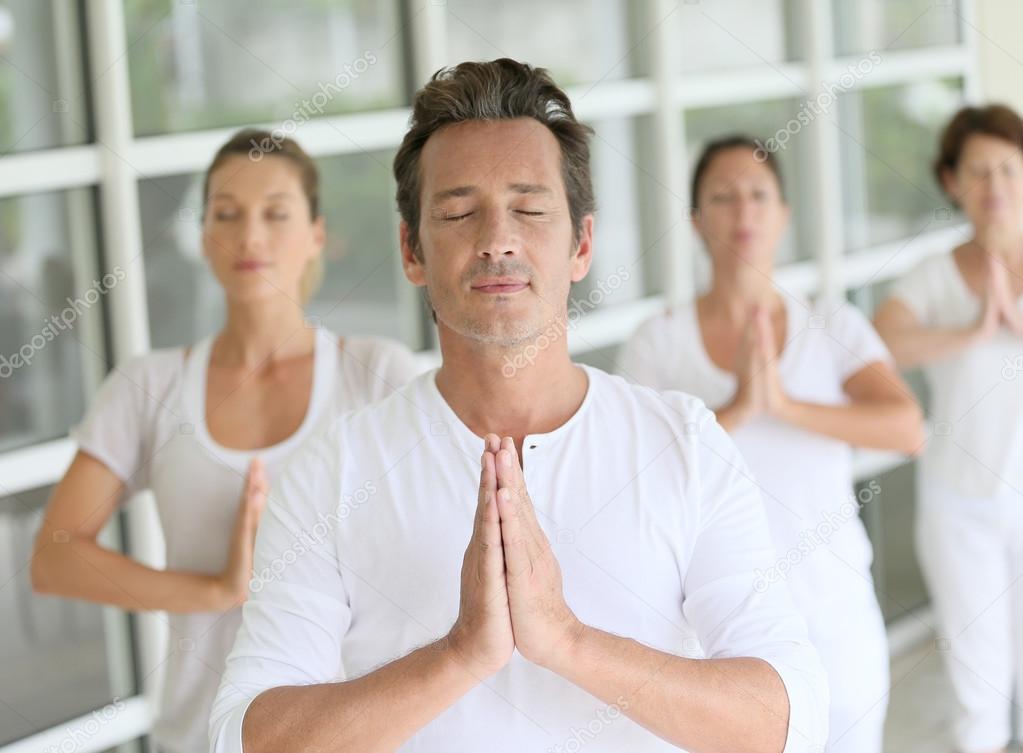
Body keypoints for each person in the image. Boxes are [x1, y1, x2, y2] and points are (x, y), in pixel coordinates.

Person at [210, 59, 828, 753]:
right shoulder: (333, 469)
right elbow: (242, 737)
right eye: (457, 211)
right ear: (412, 248)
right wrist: (460, 653)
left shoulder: (682, 441)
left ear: (582, 244)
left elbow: (788, 721)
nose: (497, 239)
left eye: (530, 210)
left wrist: (567, 640)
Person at [30, 129, 420, 753]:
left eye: (275, 213)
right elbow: (55, 557)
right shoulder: (148, 385)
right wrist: (213, 590)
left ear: (315, 232)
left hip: (350, 734)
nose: (250, 236)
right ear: (205, 234)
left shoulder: (379, 374)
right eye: (227, 214)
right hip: (196, 736)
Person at [616, 135, 924, 753]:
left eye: (758, 195)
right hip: (712, 627)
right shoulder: (658, 341)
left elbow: (906, 426)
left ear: (783, 213)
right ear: (696, 219)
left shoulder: (832, 324)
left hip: (833, 612)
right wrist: (737, 409)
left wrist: (783, 405)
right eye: (723, 197)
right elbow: (634, 479)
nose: (743, 211)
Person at [874, 104, 1023, 753]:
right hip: (959, 505)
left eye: (1007, 169)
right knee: (979, 683)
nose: (993, 186)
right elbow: (882, 340)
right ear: (950, 181)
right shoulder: (934, 274)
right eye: (977, 172)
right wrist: (971, 329)